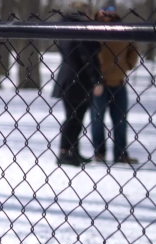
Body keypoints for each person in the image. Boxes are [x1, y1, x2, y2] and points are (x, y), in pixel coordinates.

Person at [52, 2, 104, 167]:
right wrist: (96, 80)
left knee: (74, 117)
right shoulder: (81, 28)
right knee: (74, 118)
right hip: (78, 80)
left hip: (68, 77)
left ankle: (72, 150)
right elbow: (87, 57)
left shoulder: (65, 26)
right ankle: (65, 152)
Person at [90, 6, 139, 165]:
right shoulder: (91, 28)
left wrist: (127, 64)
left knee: (120, 121)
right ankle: (99, 153)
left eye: (111, 9)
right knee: (97, 120)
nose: (108, 13)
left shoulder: (123, 29)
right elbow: (86, 53)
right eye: (104, 9)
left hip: (119, 82)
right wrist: (95, 78)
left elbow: (133, 49)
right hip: (99, 83)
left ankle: (121, 153)